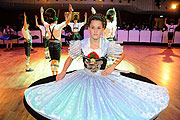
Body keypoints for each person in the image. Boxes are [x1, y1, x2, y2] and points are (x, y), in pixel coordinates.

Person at [24, 13, 169, 120]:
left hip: (103, 76)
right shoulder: (82, 43)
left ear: (103, 29)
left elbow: (122, 55)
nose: (95, 31)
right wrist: (62, 73)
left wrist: (112, 67)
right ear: (88, 28)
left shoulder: (107, 44)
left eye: (98, 28)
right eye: (92, 27)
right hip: (84, 75)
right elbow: (70, 58)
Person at [40, 4, 72, 75]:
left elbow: (42, 21)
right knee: (57, 60)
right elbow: (67, 21)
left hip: (50, 43)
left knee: (53, 60)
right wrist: (70, 12)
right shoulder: (58, 27)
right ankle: (56, 74)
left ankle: (53, 74)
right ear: (55, 21)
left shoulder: (47, 26)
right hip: (57, 44)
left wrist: (41, 12)